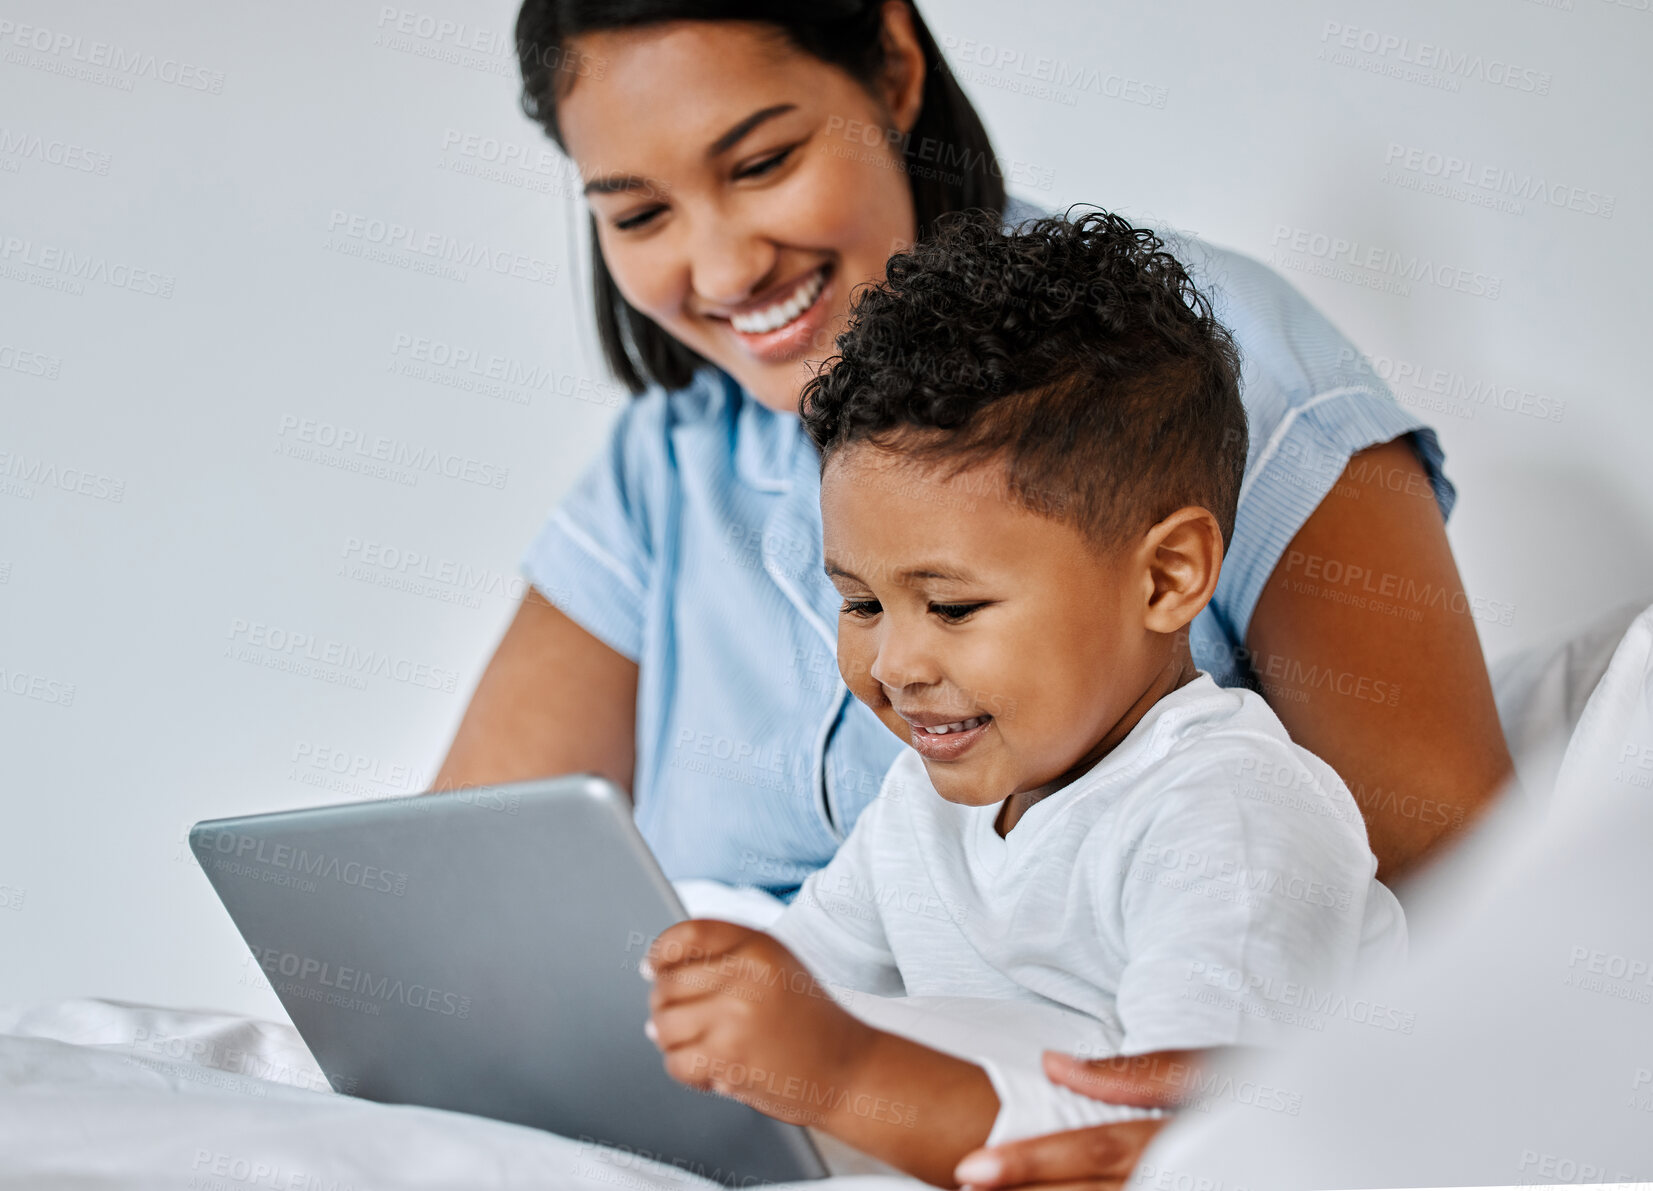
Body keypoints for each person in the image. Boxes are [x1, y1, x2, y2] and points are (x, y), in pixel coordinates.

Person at [431, 0, 1514, 1181]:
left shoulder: (1186, 391)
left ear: (895, 66)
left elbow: (1432, 928)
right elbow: (467, 906)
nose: (725, 265)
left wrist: (831, 1069)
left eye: (764, 162)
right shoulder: (678, 482)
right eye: (637, 213)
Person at [640, 208, 1406, 1187]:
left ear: (1169, 577)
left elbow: (1172, 1153)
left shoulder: (1235, 821)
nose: (898, 663)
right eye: (862, 603)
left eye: (953, 607)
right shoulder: (921, 805)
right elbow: (804, 990)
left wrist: (844, 1073)